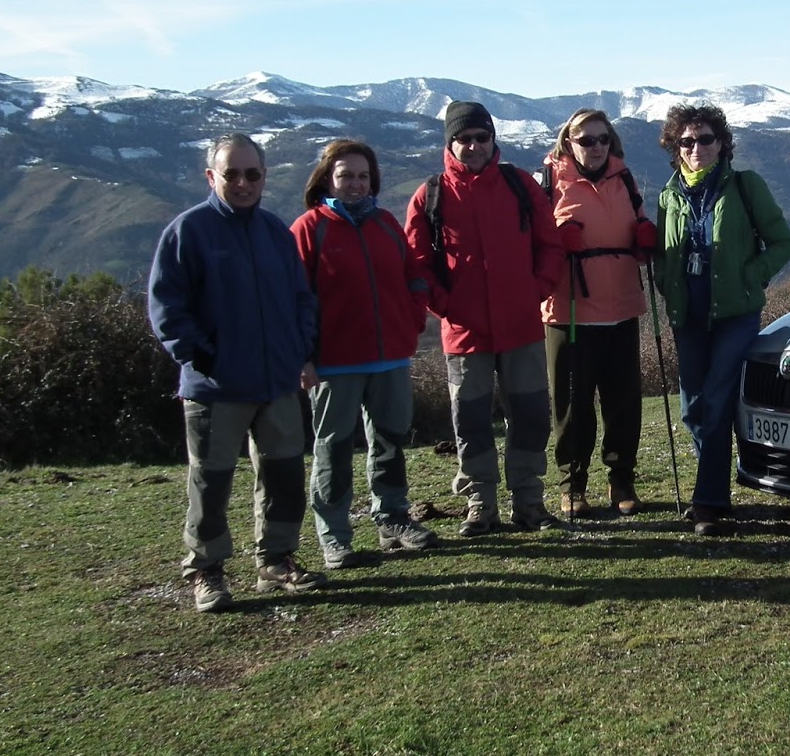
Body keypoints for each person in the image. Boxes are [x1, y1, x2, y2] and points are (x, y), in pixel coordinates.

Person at [148, 133, 325, 612]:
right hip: (216, 386)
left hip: (277, 382)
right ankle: (206, 570)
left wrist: (298, 350)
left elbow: (301, 298)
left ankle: (277, 560)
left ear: (264, 176)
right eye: (232, 174)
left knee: (284, 475)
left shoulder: (274, 232)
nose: (243, 183)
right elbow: (167, 307)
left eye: (252, 174)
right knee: (211, 482)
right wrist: (202, 358)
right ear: (212, 176)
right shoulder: (188, 231)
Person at [405, 101, 566, 536]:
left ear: (493, 140)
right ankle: (481, 505)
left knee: (530, 416)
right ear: (450, 143)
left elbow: (550, 245)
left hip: (520, 326)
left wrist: (536, 290)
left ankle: (529, 503)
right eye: (464, 138)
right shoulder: (431, 195)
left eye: (482, 137)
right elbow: (417, 264)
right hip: (465, 332)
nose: (474, 146)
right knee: (471, 422)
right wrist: (447, 307)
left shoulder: (519, 185)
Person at [290, 139, 440, 569]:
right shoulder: (309, 228)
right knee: (333, 450)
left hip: (390, 356)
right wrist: (303, 356)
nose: (355, 184)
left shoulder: (386, 224)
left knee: (390, 442)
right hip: (334, 363)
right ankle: (334, 536)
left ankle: (393, 518)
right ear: (327, 179)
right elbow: (293, 298)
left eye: (363, 176)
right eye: (346, 176)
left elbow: (413, 276)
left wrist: (411, 319)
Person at [653, 105, 790, 536]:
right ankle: (712, 485)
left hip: (735, 315)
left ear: (722, 144)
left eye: (706, 139)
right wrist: (665, 283)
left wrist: (750, 277)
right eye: (687, 141)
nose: (696, 148)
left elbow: (782, 243)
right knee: (692, 410)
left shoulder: (745, 186)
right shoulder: (669, 196)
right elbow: (662, 254)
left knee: (715, 402)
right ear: (676, 148)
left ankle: (709, 502)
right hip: (688, 316)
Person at [539, 109, 658, 518]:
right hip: (568, 310)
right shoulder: (549, 182)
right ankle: (572, 485)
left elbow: (637, 224)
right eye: (586, 140)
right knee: (573, 404)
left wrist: (644, 238)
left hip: (621, 305)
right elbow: (531, 241)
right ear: (568, 142)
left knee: (623, 401)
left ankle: (621, 480)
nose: (596, 147)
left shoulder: (623, 179)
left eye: (603, 139)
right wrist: (557, 242)